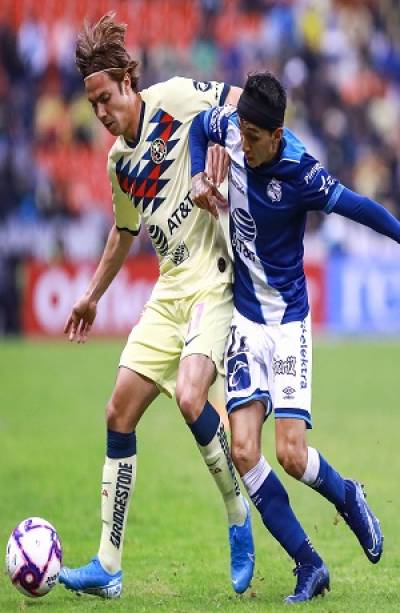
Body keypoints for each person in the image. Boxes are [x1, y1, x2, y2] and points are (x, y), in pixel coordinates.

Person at [59, 14, 255, 599]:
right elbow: (123, 234)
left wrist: (220, 148)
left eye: (104, 100)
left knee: (193, 398)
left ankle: (237, 518)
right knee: (118, 413)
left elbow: (243, 102)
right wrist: (92, 297)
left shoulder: (172, 97)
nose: (99, 114)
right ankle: (108, 565)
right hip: (169, 291)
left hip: (213, 278)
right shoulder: (119, 161)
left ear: (126, 80)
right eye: (91, 105)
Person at [189, 71, 394, 604]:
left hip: (286, 327)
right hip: (244, 319)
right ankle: (310, 564)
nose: (245, 144)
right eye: (242, 133)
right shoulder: (232, 130)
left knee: (292, 455)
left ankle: (348, 496)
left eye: (255, 137)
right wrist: (195, 175)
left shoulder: (301, 171)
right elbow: (196, 130)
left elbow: (359, 208)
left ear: (277, 135)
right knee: (243, 449)